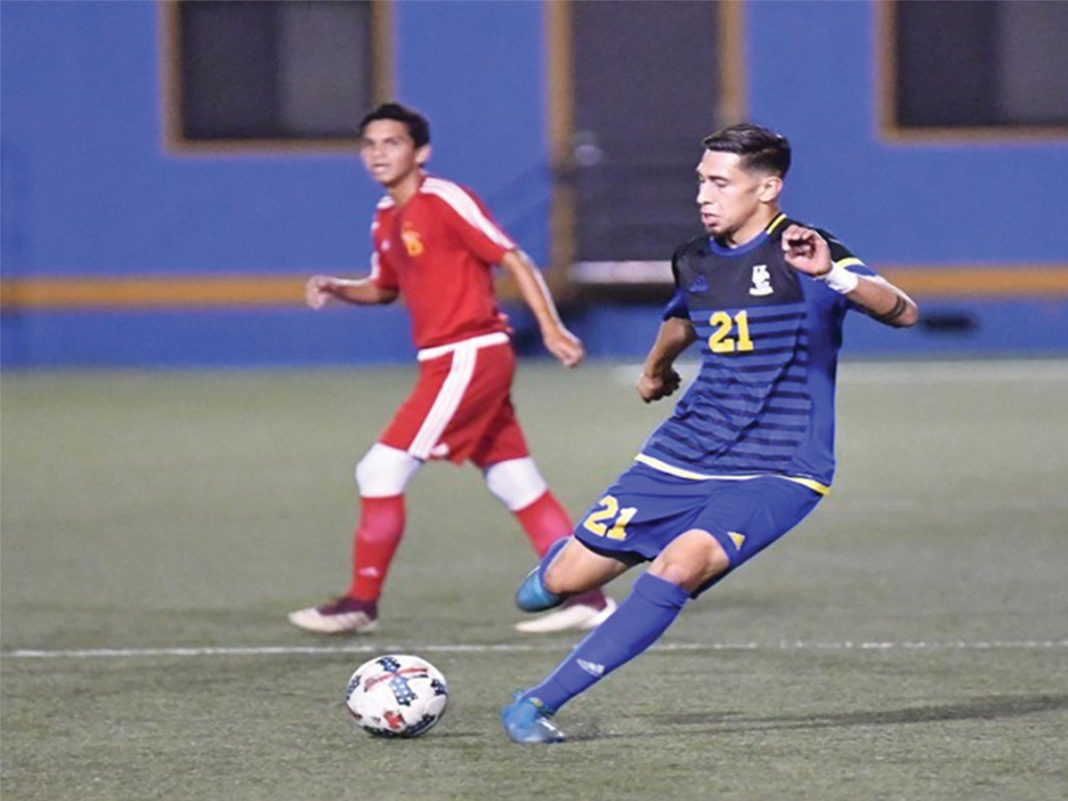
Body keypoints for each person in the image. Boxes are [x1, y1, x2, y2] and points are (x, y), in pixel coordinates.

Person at [500, 122, 919, 743]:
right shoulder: (695, 256)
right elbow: (683, 319)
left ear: (768, 187)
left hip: (780, 466)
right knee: (562, 583)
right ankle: (554, 579)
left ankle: (537, 704)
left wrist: (832, 274)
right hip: (684, 450)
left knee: (679, 564)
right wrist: (654, 370)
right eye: (701, 180)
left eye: (719, 182)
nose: (703, 194)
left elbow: (902, 310)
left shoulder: (808, 250)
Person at [289, 102, 615, 635]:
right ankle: (589, 599)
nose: (378, 153)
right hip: (452, 359)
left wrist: (551, 328)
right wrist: (340, 288)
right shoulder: (385, 216)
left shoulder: (444, 199)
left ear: (421, 152)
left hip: (469, 353)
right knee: (516, 481)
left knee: (379, 469)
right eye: (370, 144)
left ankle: (360, 602)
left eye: (391, 143)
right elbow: (385, 286)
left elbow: (513, 257)